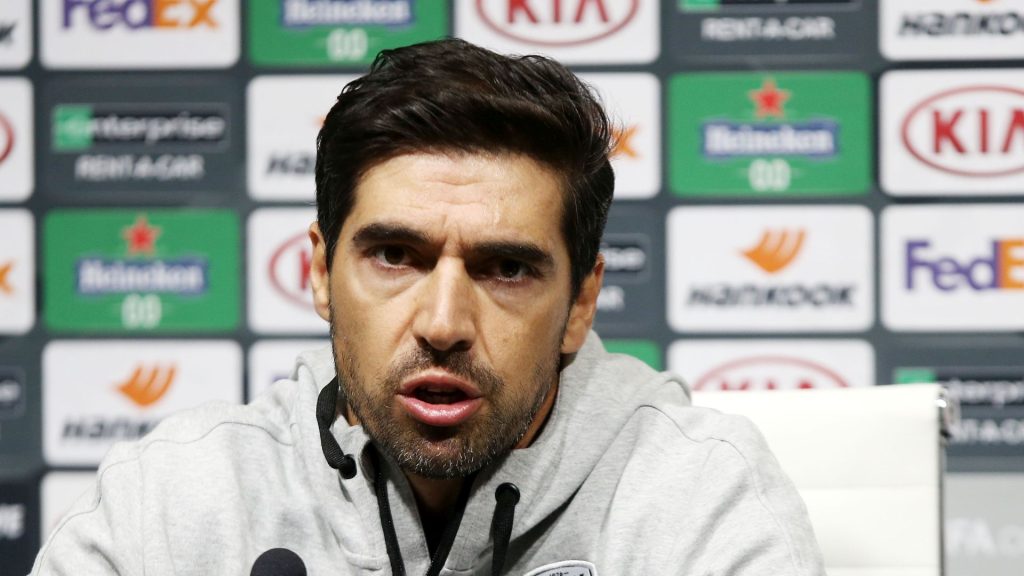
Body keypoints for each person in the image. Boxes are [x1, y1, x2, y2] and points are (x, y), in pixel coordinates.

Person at [32, 38, 825, 575]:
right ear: (320, 272)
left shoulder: (697, 493)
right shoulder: (174, 499)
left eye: (506, 268)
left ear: (582, 301)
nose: (443, 324)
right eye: (394, 256)